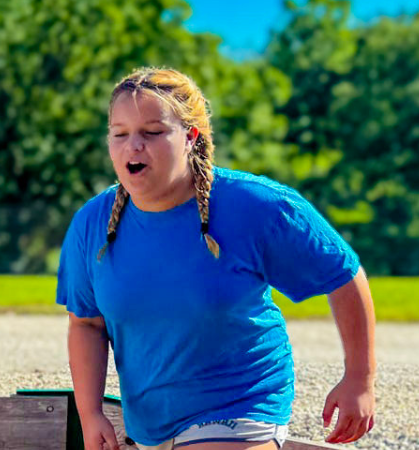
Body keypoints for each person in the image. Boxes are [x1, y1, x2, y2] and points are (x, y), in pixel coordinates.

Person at [57, 68, 378, 449]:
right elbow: (87, 325)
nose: (134, 146)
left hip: (241, 406)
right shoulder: (91, 223)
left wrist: (359, 379)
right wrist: (90, 413)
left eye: (153, 132)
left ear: (190, 137)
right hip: (149, 427)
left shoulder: (257, 205)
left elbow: (342, 273)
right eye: (120, 134)